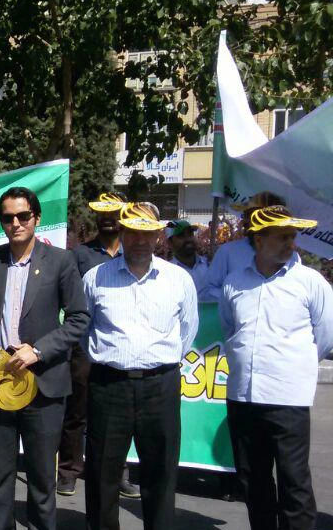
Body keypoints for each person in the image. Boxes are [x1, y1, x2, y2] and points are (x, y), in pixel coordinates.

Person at [0, 187, 91, 530]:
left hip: (44, 385)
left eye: (23, 216)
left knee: (41, 480)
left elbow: (79, 319)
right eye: (8, 218)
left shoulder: (61, 261)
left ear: (36, 218)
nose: (16, 223)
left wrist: (37, 350)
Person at [82, 202, 198, 530]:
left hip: (160, 386)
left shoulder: (178, 279)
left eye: (148, 233)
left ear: (159, 236)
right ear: (121, 233)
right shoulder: (95, 278)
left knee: (160, 474)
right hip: (108, 385)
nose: (141, 240)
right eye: (133, 232)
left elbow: (187, 331)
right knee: (102, 474)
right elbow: (83, 329)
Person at [219, 205, 332, 530]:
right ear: (259, 240)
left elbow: (325, 336)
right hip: (243, 398)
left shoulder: (310, 282)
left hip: (288, 400)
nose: (290, 244)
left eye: (292, 236)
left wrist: (291, 366)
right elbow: (230, 330)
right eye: (282, 237)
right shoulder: (234, 282)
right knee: (253, 482)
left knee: (294, 484)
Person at [58, 193, 137, 499]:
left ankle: (119, 474)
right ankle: (68, 471)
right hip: (84, 344)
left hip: (119, 344)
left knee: (117, 415)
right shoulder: (80, 254)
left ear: (122, 216)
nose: (107, 218)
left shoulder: (132, 253)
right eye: (102, 213)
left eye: (113, 213)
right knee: (77, 410)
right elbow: (70, 298)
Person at [202, 192, 299, 302]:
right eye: (246, 216)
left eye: (253, 216)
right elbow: (207, 291)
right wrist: (239, 296)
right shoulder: (227, 252)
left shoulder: (292, 256)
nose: (245, 221)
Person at [165, 220, 211, 298]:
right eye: (181, 235)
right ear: (169, 243)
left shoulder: (210, 265)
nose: (188, 239)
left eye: (190, 234)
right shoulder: (167, 273)